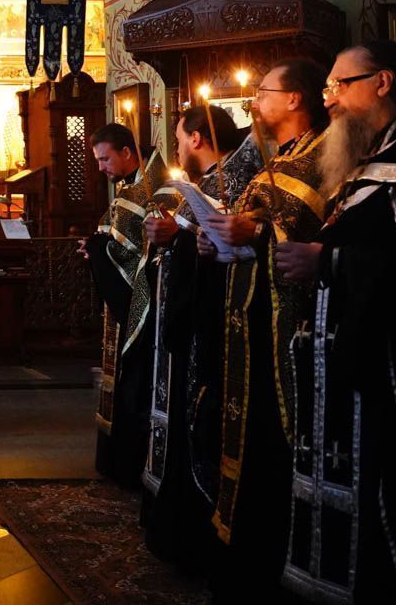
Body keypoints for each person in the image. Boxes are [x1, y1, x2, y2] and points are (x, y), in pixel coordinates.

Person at [275, 41, 396, 602]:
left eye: (339, 85)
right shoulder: (376, 161)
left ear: (382, 83)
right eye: (327, 87)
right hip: (361, 374)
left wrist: (329, 261)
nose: (328, 99)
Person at [196, 58, 329, 597]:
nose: (253, 102)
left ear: (294, 99)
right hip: (247, 333)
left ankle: (274, 561)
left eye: (263, 92)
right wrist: (214, 240)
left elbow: (317, 234)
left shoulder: (325, 158)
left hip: (287, 337)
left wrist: (253, 231)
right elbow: (250, 231)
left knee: (276, 451)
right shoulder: (272, 162)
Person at [138, 105, 256, 570]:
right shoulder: (199, 186)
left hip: (208, 328)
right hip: (187, 324)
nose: (177, 146)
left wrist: (180, 238)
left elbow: (225, 251)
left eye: (179, 137)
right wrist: (169, 238)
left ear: (198, 138)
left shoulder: (232, 182)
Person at [84, 122, 173, 488]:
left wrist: (97, 249)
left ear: (126, 152)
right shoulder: (130, 188)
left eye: (105, 159)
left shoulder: (157, 190)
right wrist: (96, 248)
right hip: (125, 301)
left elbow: (136, 252)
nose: (101, 167)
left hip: (146, 305)